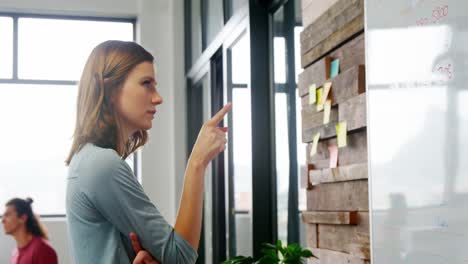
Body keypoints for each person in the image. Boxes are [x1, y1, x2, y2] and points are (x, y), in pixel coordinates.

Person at [65, 40, 231, 264]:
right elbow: (180, 257)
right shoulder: (102, 164)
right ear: (110, 90)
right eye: (146, 83)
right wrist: (197, 163)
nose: (158, 97)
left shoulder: (88, 159)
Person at [2, 198, 58, 264]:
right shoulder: (15, 253)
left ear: (23, 218)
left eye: (7, 215)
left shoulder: (42, 250)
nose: (3, 220)